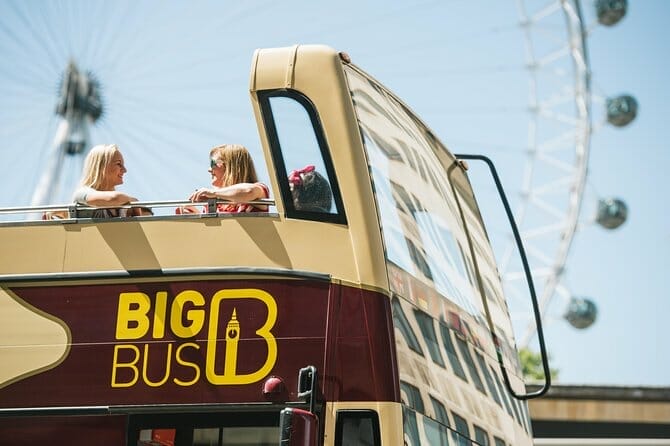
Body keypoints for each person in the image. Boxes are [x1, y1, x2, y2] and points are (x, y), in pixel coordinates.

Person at [185, 144, 269, 213]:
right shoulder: (214, 203)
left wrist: (213, 193)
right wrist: (195, 214)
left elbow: (249, 191)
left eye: (213, 163)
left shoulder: (259, 189)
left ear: (231, 166)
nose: (209, 169)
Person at [72, 144, 148, 218]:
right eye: (119, 164)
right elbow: (114, 198)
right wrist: (133, 201)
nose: (125, 170)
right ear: (102, 167)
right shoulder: (82, 194)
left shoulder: (122, 205)